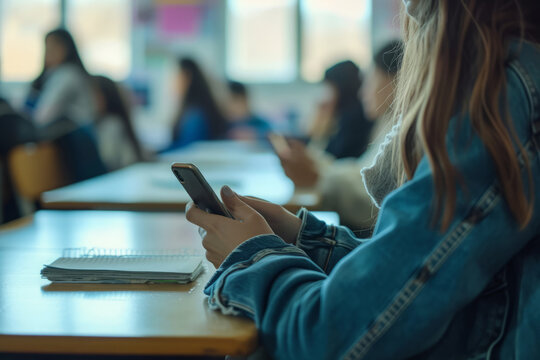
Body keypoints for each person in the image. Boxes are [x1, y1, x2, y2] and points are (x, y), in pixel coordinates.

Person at [186, 0, 540, 358]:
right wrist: (301, 240)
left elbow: (328, 336)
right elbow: (425, 278)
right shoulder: (509, 81)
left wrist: (253, 257)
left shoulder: (497, 97)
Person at [278, 40, 404, 230]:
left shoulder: (394, 126)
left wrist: (318, 173)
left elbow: (369, 192)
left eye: (371, 79)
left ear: (393, 80)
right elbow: (359, 171)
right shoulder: (387, 123)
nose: (363, 92)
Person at [24, 28, 95, 132]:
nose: (49, 54)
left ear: (67, 49)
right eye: (47, 49)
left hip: (78, 139)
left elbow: (43, 116)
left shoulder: (68, 74)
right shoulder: (51, 74)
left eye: (53, 48)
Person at [309, 60, 373, 160]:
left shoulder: (352, 119)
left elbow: (331, 157)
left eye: (329, 88)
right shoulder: (344, 115)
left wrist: (321, 123)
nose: (326, 96)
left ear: (341, 89)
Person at [166, 58, 229, 150]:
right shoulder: (197, 109)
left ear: (186, 77)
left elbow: (185, 149)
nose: (172, 83)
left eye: (176, 77)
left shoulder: (195, 115)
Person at [92, 75, 145, 171]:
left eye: (93, 94)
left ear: (106, 96)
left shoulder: (111, 123)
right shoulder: (114, 121)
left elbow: (108, 160)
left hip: (123, 176)